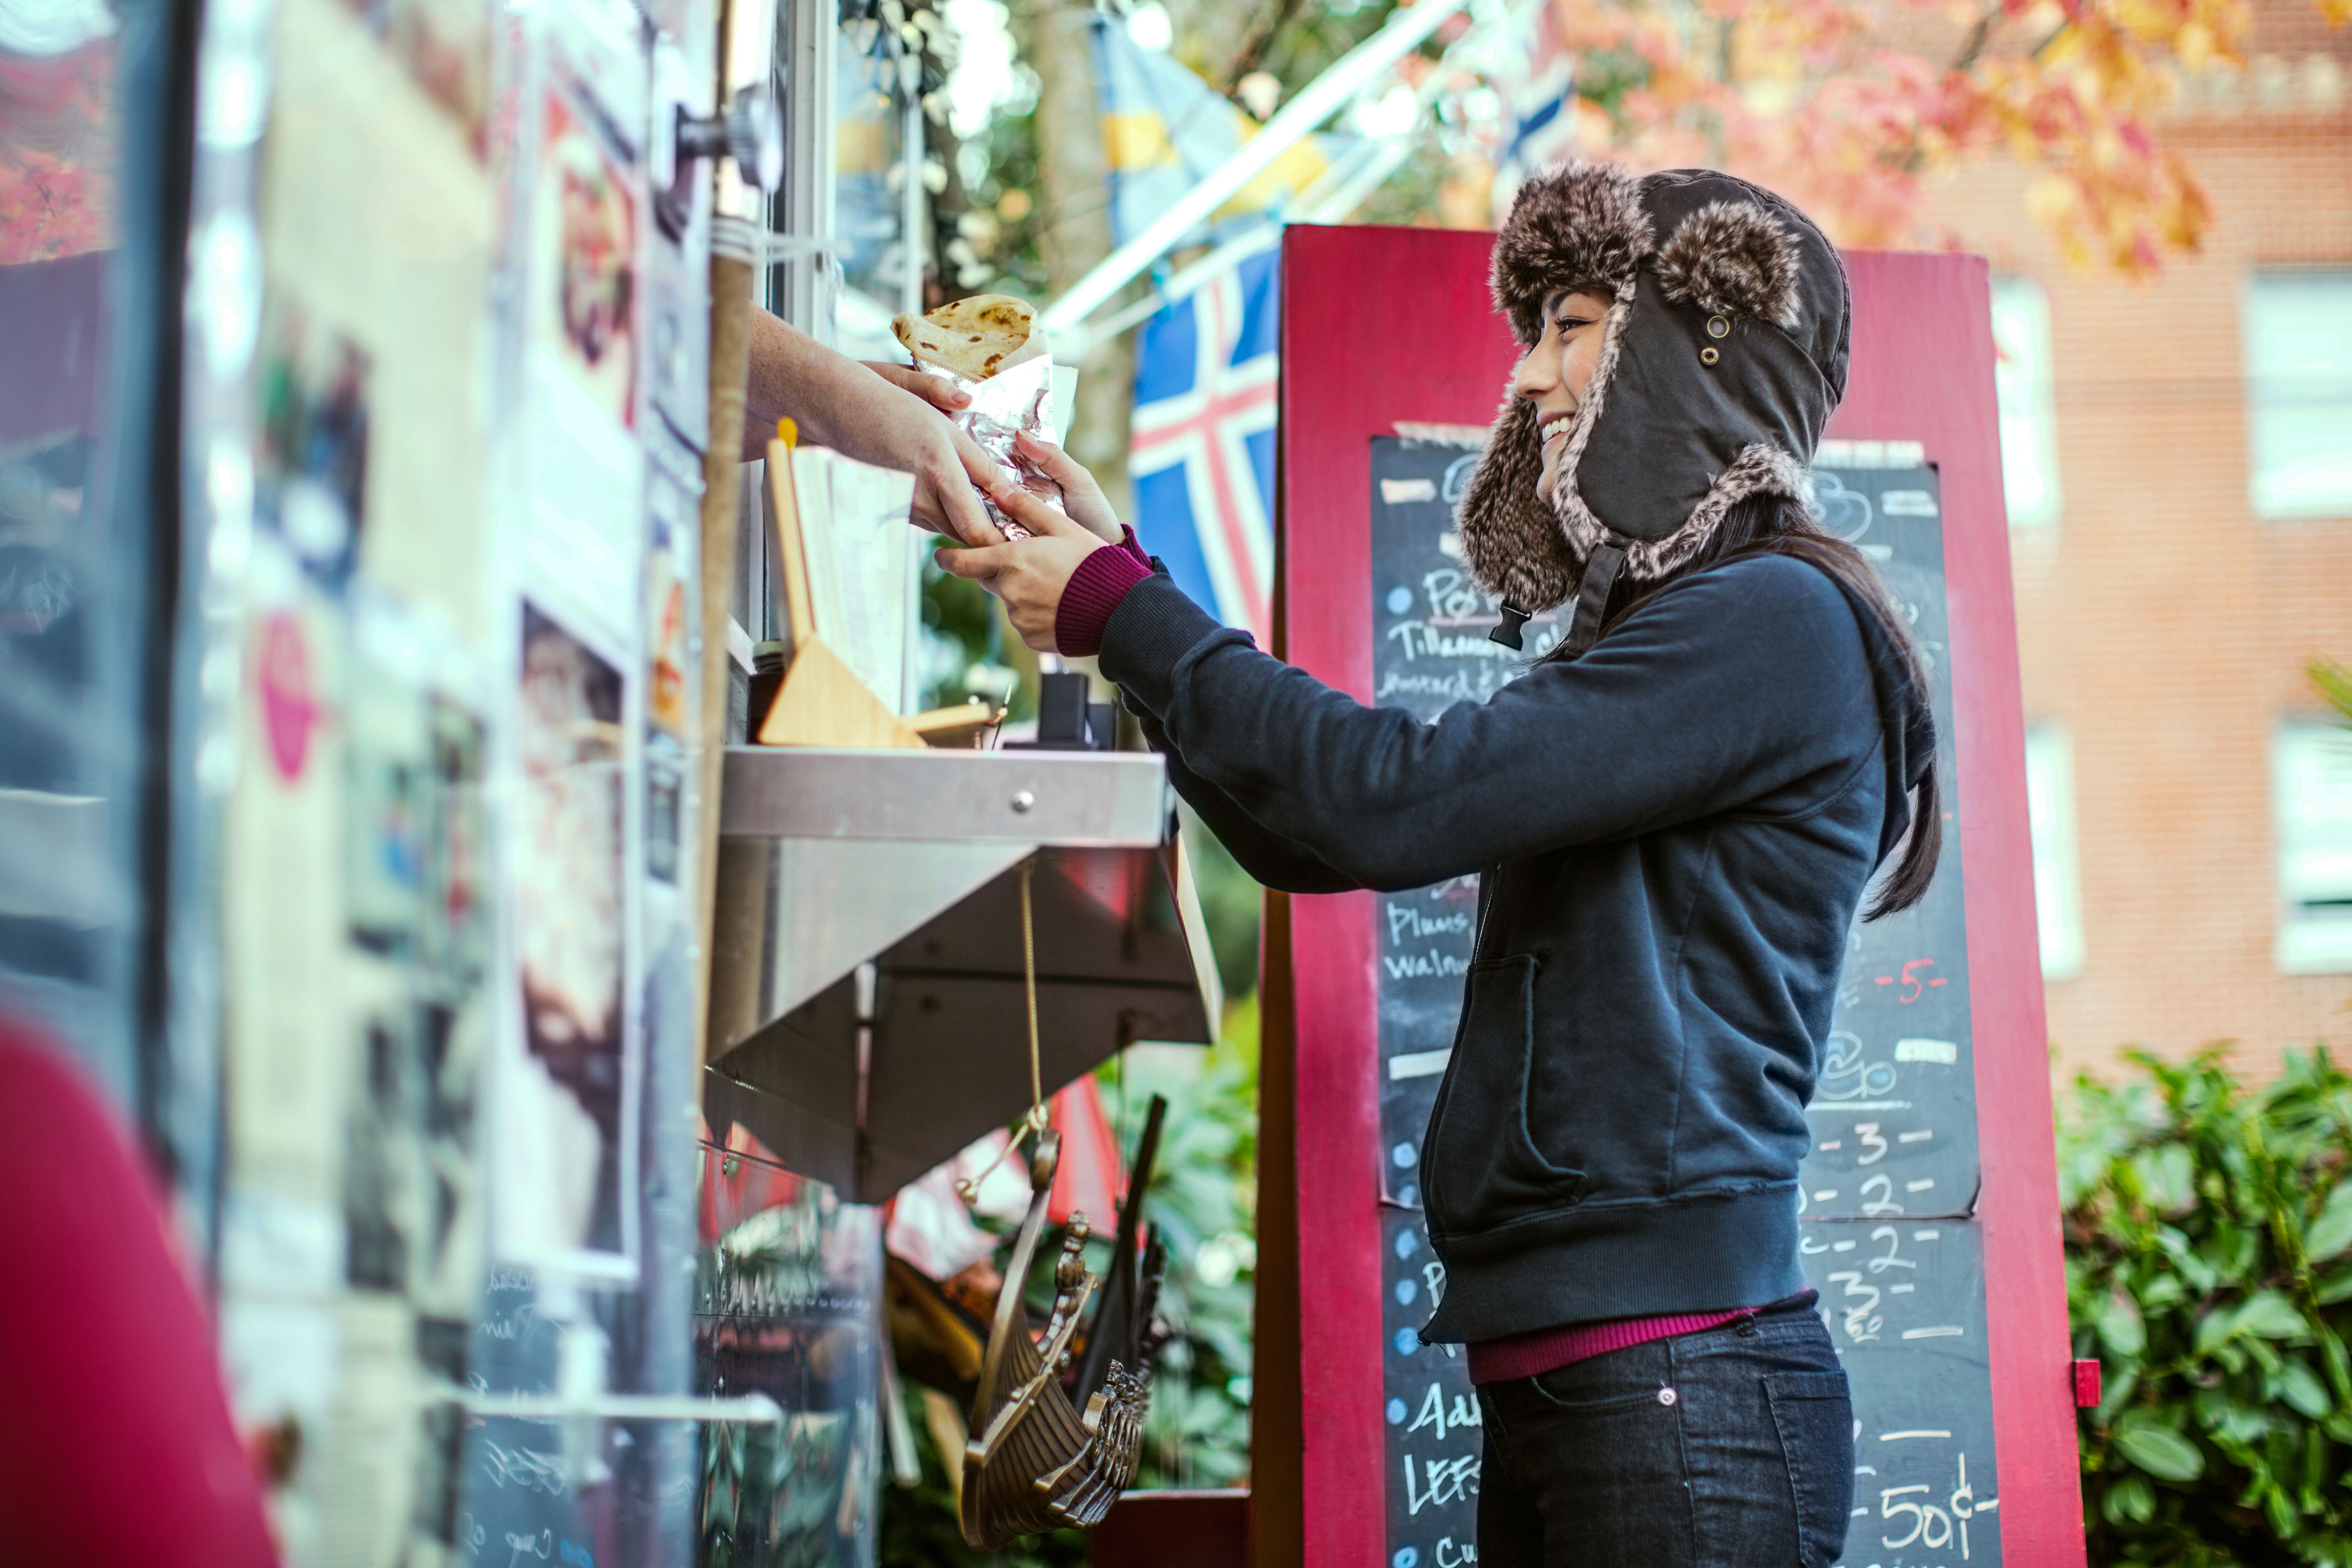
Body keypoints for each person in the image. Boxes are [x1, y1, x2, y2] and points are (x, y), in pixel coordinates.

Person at [935, 162, 1940, 1568]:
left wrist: (1123, 616)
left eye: (1572, 326)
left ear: (1688, 351)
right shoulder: (1691, 630)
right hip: (1600, 1388)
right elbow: (1304, 840)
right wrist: (1123, 584)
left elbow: (1385, 803)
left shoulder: (1769, 622)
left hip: (1682, 1401)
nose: (1528, 381)